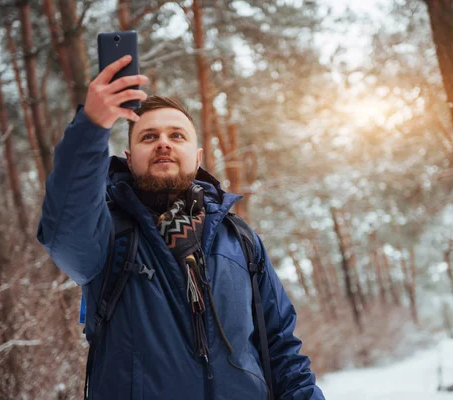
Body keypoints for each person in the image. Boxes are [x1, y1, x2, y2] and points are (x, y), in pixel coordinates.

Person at [37, 56, 325, 400]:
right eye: (148, 136)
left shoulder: (240, 240)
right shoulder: (107, 234)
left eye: (177, 135)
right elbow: (64, 228)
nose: (164, 142)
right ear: (129, 158)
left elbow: (282, 351)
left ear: (198, 156)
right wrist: (92, 125)